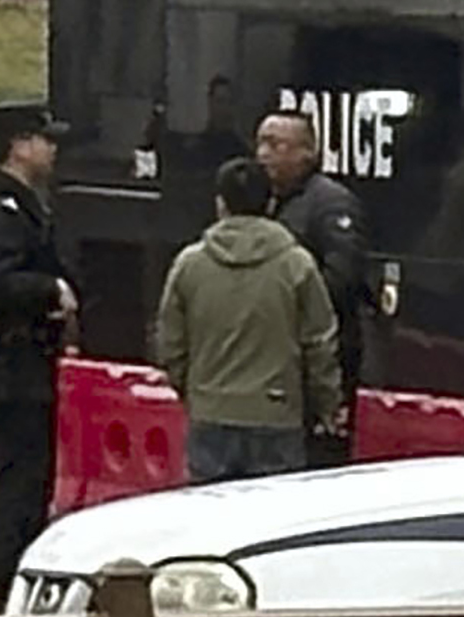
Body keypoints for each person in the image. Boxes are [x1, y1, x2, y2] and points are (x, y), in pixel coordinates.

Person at [0, 99, 78, 609]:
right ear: (19, 145)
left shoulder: (21, 204)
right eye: (45, 140)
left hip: (23, 361)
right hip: (9, 364)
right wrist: (49, 290)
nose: (52, 150)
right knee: (18, 476)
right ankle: (4, 577)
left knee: (29, 473)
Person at [155, 159, 343, 486]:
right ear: (270, 203)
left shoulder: (189, 264)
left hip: (210, 414)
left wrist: (195, 392)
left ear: (220, 203)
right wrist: (328, 406)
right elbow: (320, 344)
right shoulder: (296, 265)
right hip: (277, 414)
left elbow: (170, 343)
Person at [253, 109, 374, 460]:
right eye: (261, 142)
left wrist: (284, 305)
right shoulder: (263, 202)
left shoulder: (330, 203)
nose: (263, 154)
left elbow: (342, 277)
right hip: (275, 367)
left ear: (307, 151)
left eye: (276, 145)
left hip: (320, 361)